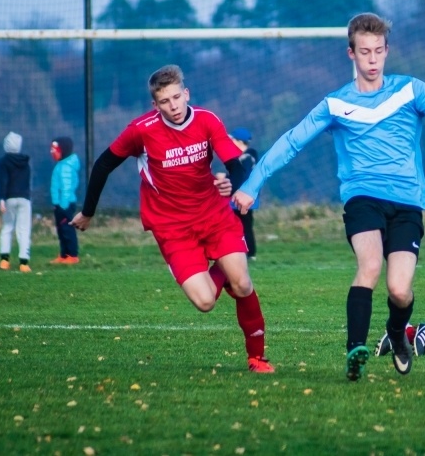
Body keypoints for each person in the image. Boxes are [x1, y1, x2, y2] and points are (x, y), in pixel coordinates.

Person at [231, 12, 425, 381]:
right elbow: (292, 142)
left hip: (407, 202)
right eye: (365, 52)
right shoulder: (335, 105)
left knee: (400, 289)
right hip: (362, 198)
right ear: (351, 54)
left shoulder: (410, 90)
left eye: (378, 51)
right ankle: (354, 351)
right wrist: (252, 183)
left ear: (387, 51)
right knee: (370, 265)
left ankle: (396, 332)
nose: (372, 59)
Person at [69, 64, 274, 373]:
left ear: (186, 93)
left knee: (243, 283)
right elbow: (103, 165)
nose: (173, 106)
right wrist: (88, 212)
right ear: (155, 104)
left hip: (214, 216)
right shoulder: (142, 130)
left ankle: (257, 358)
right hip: (172, 228)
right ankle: (223, 270)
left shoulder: (207, 121)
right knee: (205, 302)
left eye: (177, 98)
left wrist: (233, 183)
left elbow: (236, 163)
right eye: (165, 101)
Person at [0, 131, 32, 272]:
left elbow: (3, 181)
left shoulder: (3, 162)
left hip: (9, 198)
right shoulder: (25, 162)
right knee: (23, 230)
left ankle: (4, 260)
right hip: (24, 199)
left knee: (7, 227)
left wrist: (2, 199)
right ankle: (24, 262)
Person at [50, 136, 81, 264]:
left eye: (55, 149)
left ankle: (72, 255)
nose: (52, 152)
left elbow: (66, 187)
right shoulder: (61, 165)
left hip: (65, 205)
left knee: (67, 229)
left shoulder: (66, 167)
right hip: (59, 205)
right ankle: (64, 254)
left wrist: (62, 205)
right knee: (61, 230)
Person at [228, 127, 258, 260]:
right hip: (243, 196)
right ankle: (244, 251)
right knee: (243, 224)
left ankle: (249, 253)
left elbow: (240, 177)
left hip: (243, 197)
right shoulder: (246, 158)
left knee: (243, 224)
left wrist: (226, 179)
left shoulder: (246, 158)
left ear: (239, 141)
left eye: (232, 140)